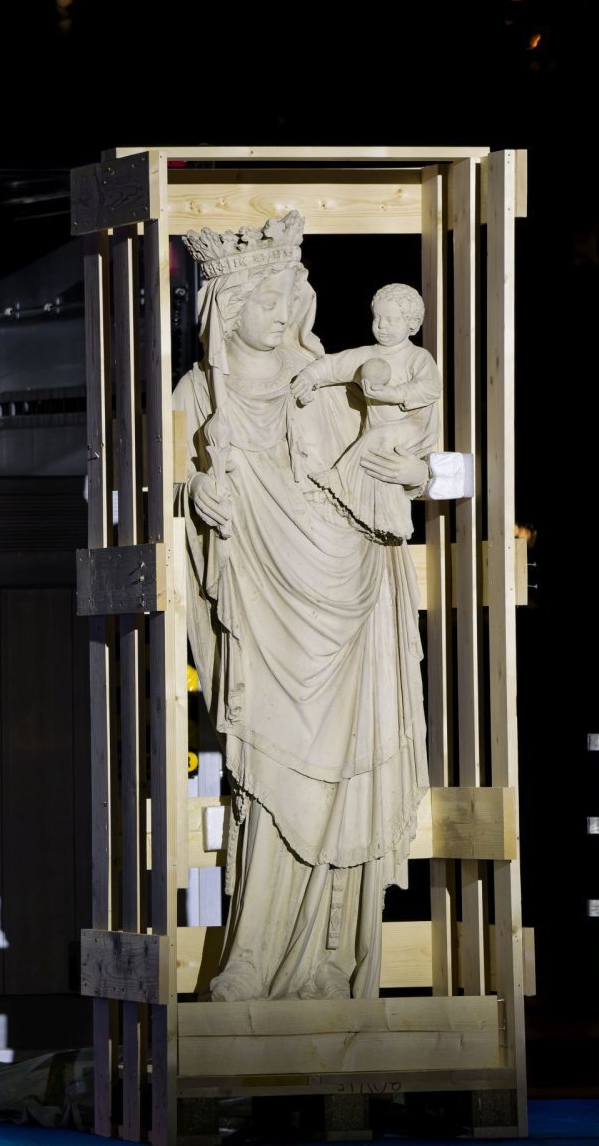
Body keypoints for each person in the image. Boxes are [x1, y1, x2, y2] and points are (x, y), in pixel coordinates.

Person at [173, 211, 430, 1002]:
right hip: (263, 615)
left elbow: (398, 458)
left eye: (290, 293)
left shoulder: (336, 381)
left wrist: (399, 465)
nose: (280, 311)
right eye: (262, 297)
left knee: (347, 773)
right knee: (267, 778)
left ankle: (332, 960)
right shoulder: (194, 392)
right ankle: (252, 952)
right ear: (222, 307)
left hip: (346, 606)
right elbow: (164, 493)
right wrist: (198, 493)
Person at [290, 283, 441, 542]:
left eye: (392, 320)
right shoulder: (367, 356)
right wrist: (309, 376)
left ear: (412, 325)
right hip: (381, 434)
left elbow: (430, 388)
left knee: (375, 440)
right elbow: (332, 365)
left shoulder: (418, 357)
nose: (382, 325)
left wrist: (390, 394)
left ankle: (337, 480)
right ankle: (382, 521)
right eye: (377, 318)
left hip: (413, 427)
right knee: (378, 471)